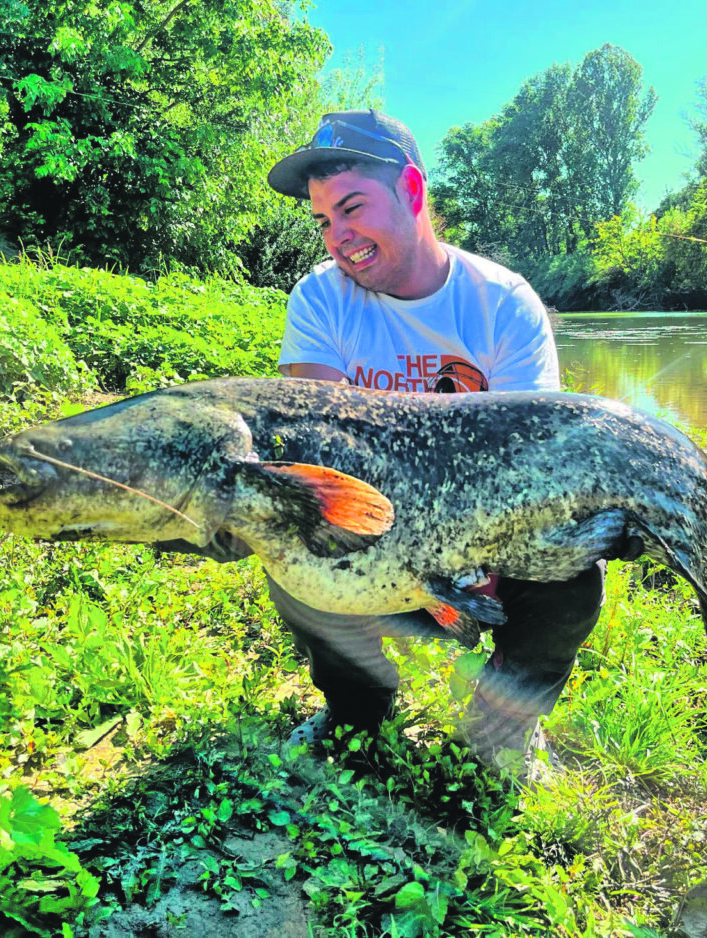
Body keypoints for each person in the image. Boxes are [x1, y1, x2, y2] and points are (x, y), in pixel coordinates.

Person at [261, 110, 605, 775]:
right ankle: (355, 712)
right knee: (296, 547)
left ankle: (499, 731)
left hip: (490, 557)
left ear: (413, 193)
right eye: (325, 221)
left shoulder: (505, 304)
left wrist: (476, 566)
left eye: (352, 209)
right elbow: (319, 456)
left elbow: (528, 472)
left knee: (573, 583)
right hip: (373, 552)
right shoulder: (318, 301)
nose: (339, 237)